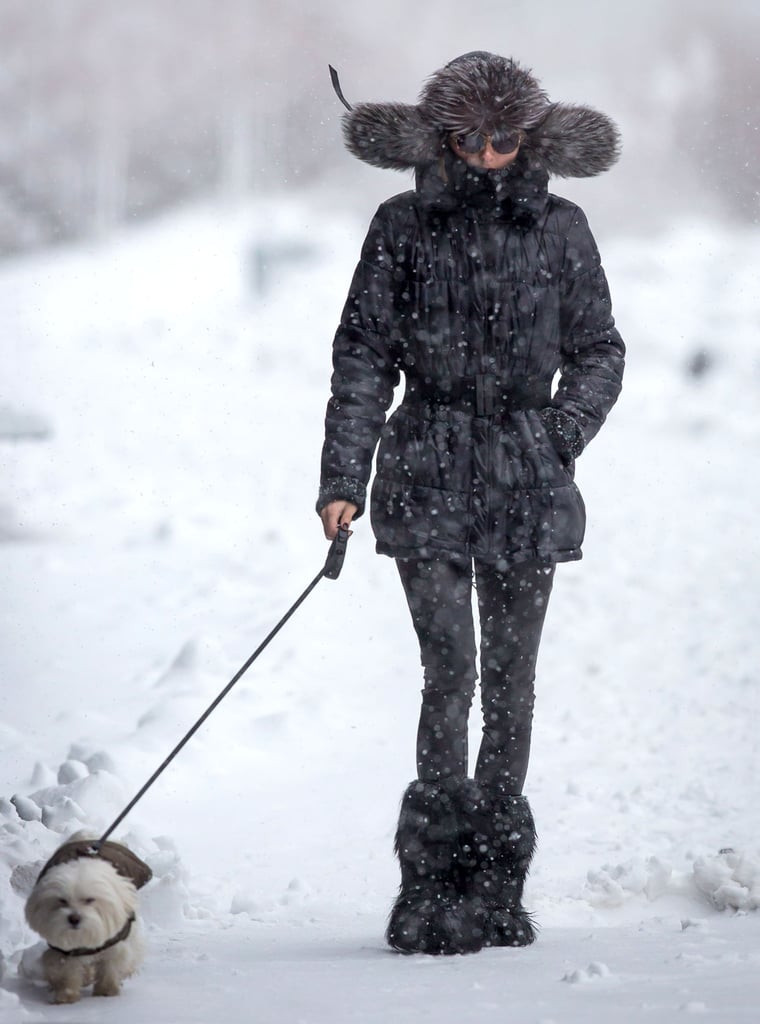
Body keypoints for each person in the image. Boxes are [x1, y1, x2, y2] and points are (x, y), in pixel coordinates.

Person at [317, 51, 625, 955]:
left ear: (529, 139)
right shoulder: (402, 225)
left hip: (528, 478)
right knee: (449, 676)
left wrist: (557, 434)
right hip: (424, 471)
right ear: (442, 141)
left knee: (513, 687)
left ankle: (496, 883)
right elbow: (364, 355)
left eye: (504, 140)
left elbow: (601, 349)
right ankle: (430, 885)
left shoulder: (563, 228)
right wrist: (342, 478)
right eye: (470, 140)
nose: (488, 156)